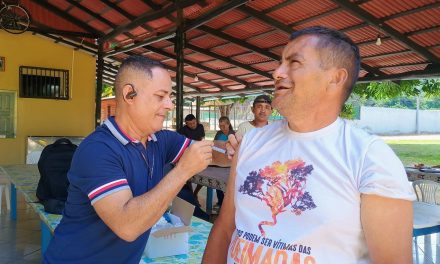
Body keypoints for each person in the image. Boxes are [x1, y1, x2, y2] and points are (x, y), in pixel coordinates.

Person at [203, 26, 415, 263]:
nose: (277, 73)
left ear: (335, 78)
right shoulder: (252, 141)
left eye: (294, 63)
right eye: (280, 62)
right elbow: (224, 228)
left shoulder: (369, 157)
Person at [44, 56, 214, 263]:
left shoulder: (159, 139)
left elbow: (205, 151)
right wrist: (183, 171)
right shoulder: (98, 149)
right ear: (129, 95)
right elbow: (127, 226)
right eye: (161, 96)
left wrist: (243, 146)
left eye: (170, 96)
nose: (169, 105)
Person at [213, 116, 235, 210]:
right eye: (220, 126)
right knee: (217, 184)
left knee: (229, 186)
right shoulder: (218, 133)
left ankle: (228, 206)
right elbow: (214, 144)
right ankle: (220, 202)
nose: (222, 128)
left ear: (228, 124)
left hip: (229, 164)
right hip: (219, 162)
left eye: (224, 126)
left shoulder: (233, 134)